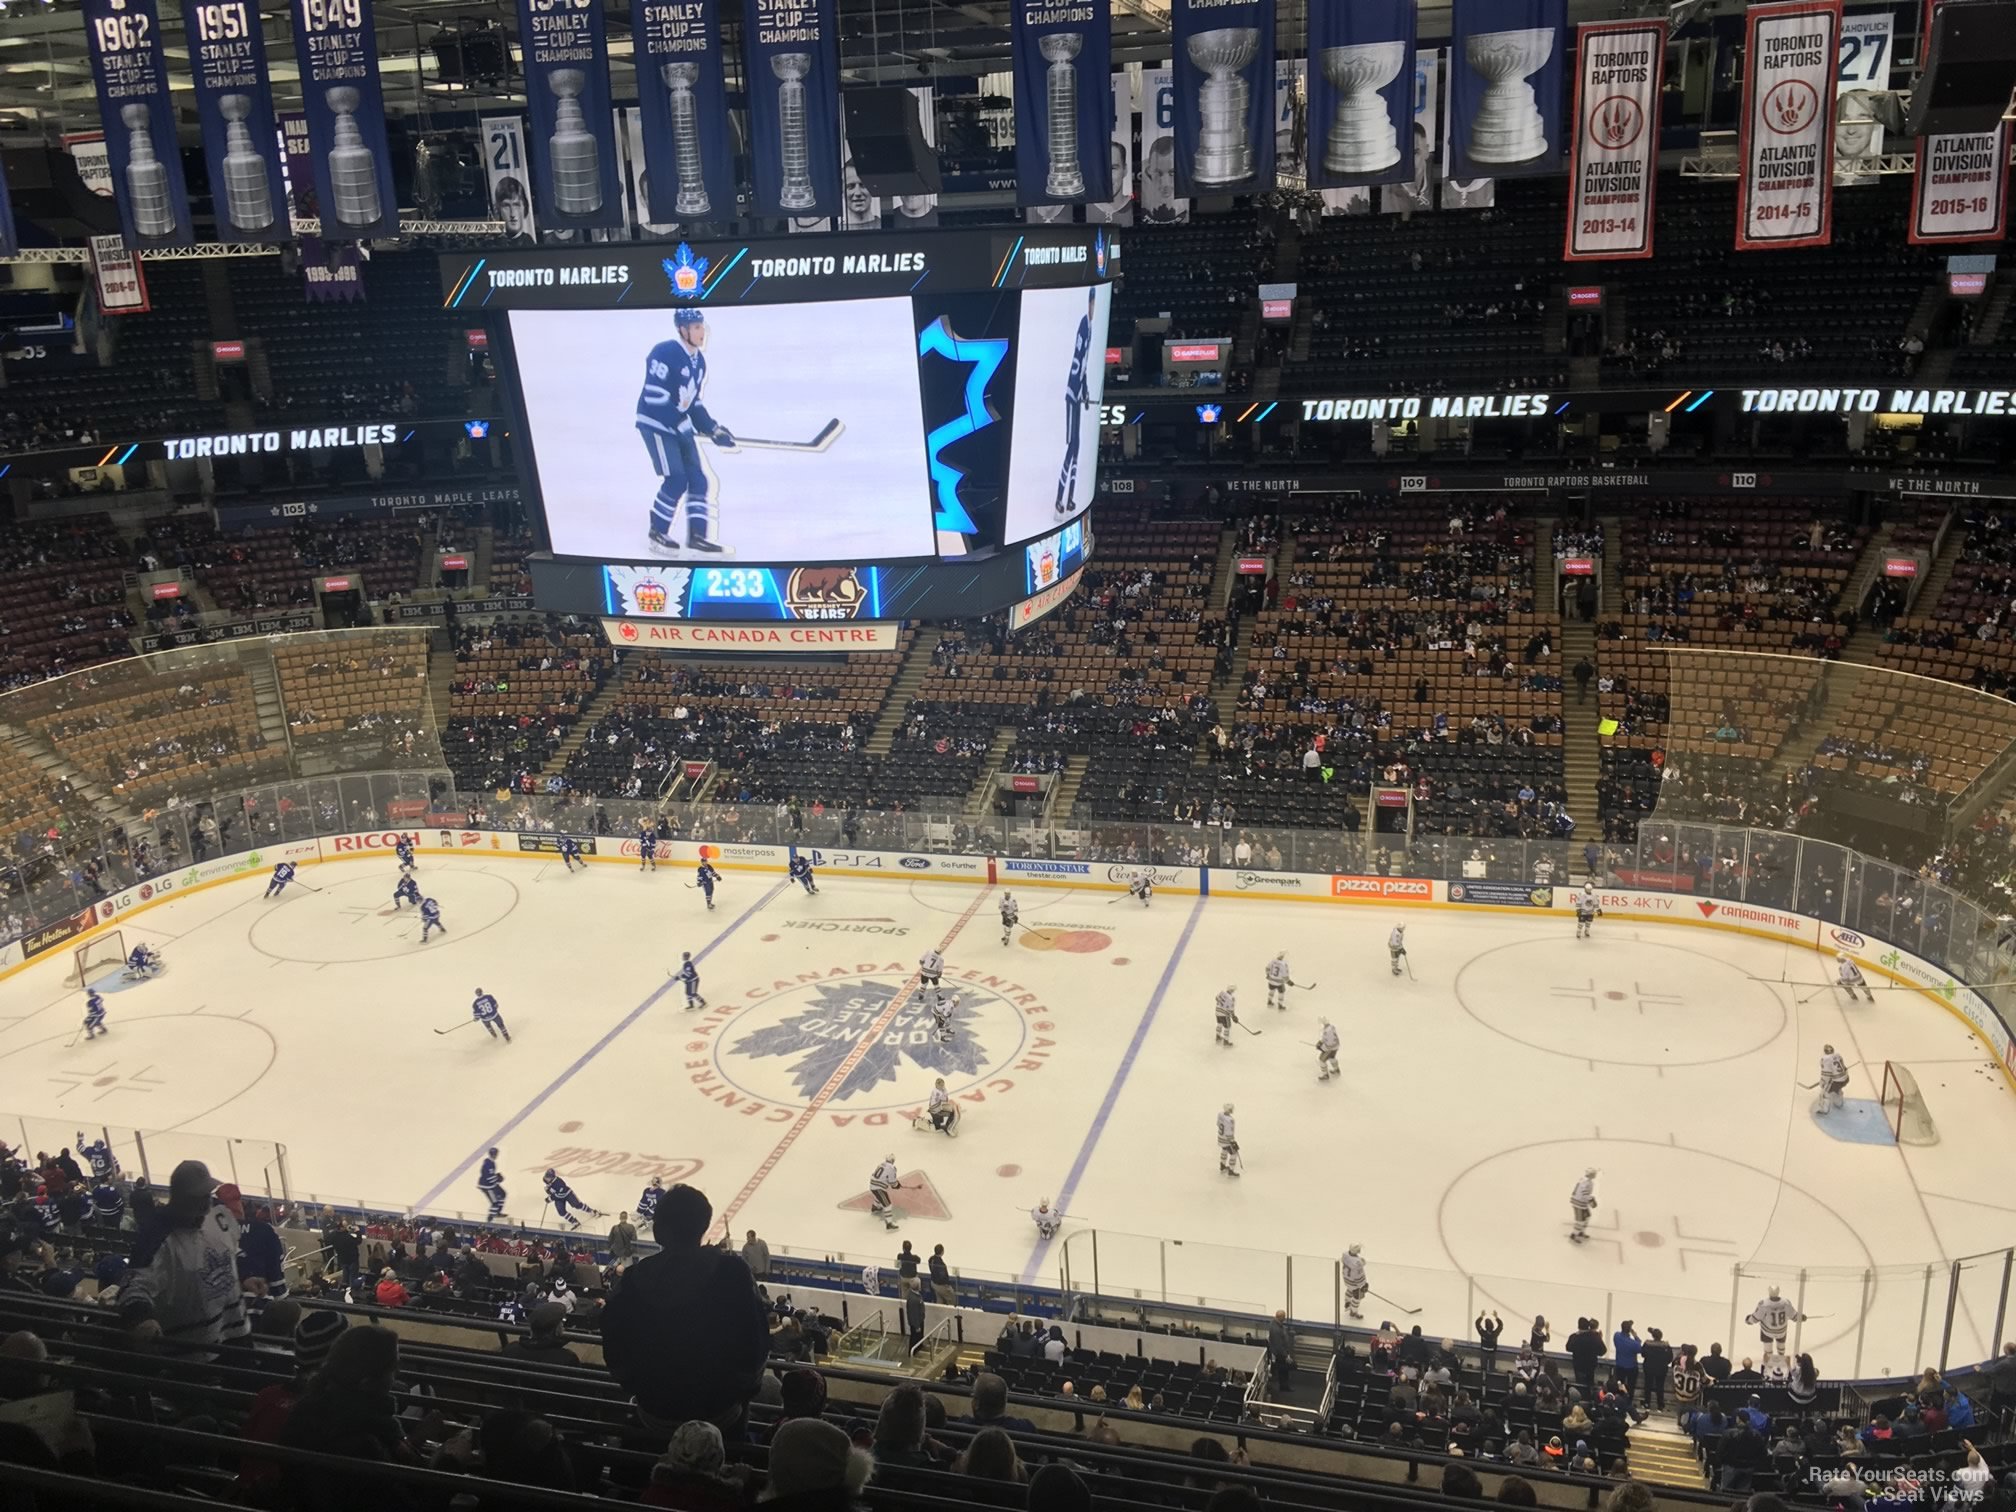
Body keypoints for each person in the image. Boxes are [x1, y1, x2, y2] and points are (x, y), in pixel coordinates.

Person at [601, 1183, 769, 1434]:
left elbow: (615, 1349)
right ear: (702, 1226)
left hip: (655, 1412)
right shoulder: (734, 1274)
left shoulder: (634, 1280)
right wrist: (742, 1392)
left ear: (658, 1231)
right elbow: (755, 1343)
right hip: (721, 1413)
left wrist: (639, 1387)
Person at [277, 1324, 419, 1512]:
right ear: (367, 1383)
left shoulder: (304, 1410)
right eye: (393, 1369)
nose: (396, 1377)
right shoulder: (364, 1445)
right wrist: (450, 1461)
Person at [119, 1159, 249, 1356]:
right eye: (198, 1197)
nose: (206, 1203)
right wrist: (142, 1318)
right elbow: (134, 1286)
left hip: (237, 1334)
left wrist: (248, 1275)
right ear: (180, 1198)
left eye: (207, 1195)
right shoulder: (157, 1237)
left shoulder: (218, 1217)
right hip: (193, 1350)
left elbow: (231, 1252)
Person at [637, 308, 735, 558]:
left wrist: (713, 428)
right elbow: (654, 396)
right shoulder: (665, 352)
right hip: (655, 424)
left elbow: (693, 403)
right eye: (696, 327)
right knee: (677, 479)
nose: (702, 332)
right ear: (683, 330)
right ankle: (657, 532)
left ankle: (697, 536)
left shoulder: (698, 362)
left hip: (678, 427)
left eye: (702, 326)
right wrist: (677, 422)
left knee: (699, 480)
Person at [1056, 287, 1096, 518]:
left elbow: (1085, 368)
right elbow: (1077, 363)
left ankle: (1070, 498)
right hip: (1072, 396)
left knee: (1078, 448)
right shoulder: (1083, 325)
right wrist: (1078, 391)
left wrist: (1087, 391)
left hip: (1079, 394)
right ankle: (1059, 498)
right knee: (1071, 447)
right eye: (1092, 303)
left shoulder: (1089, 327)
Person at [503, 1301, 580, 1367]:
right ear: (557, 1330)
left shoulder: (510, 1350)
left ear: (532, 1329)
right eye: (562, 1323)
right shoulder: (567, 1358)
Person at [1640, 1327, 1674, 1409]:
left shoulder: (1647, 1344)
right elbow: (1670, 1358)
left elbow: (1643, 1354)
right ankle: (1660, 1405)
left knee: (1648, 1386)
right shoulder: (1666, 1346)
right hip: (1661, 1369)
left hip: (1649, 1368)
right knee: (1660, 1387)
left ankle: (1647, 1403)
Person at [1814, 1045, 1850, 1114]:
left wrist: (1823, 1081)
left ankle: (1824, 1110)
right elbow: (1844, 1068)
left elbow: (1826, 1074)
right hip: (1846, 1078)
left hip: (1836, 1081)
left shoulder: (1825, 1059)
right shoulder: (1838, 1055)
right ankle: (1839, 1103)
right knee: (1837, 1089)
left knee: (1825, 1093)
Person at [1268, 1310, 1295, 1393]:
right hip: (1280, 1353)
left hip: (1279, 1352)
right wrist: (1286, 1355)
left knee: (1282, 1370)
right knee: (1283, 1370)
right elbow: (1279, 1344)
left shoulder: (1274, 1324)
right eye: (1284, 1317)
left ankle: (1284, 1386)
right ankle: (1284, 1386)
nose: (1285, 1318)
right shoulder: (1276, 1329)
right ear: (1280, 1317)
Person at [1613, 1321, 1641, 1397]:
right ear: (1629, 1330)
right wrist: (1635, 1336)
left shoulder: (1616, 1336)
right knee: (1631, 1386)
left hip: (1620, 1366)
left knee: (1620, 1385)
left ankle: (1619, 1399)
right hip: (1631, 1368)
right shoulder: (1633, 1343)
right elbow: (1639, 1348)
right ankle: (1628, 1401)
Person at [1569, 1168, 1598, 1243]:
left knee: (1587, 1217)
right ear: (1591, 1174)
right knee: (1580, 1221)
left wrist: (1589, 1198)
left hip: (1582, 1203)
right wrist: (1590, 1199)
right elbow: (1584, 1193)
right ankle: (1574, 1235)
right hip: (1579, 1203)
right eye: (1594, 1174)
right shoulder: (1586, 1182)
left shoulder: (1585, 1180)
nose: (1595, 1175)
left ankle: (1581, 1232)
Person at [478, 1148, 508, 1219]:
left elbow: (490, 1176)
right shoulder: (488, 1165)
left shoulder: (491, 1162)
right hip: (487, 1186)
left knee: (503, 1194)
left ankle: (497, 1212)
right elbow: (489, 1178)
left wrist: (496, 1177)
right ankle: (490, 1217)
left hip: (491, 1184)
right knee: (495, 1203)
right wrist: (498, 1179)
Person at [1341, 1244, 1367, 1319]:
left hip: (1347, 1279)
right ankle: (1353, 1312)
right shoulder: (1357, 1263)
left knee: (1349, 1290)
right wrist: (1363, 1285)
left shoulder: (1345, 1255)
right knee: (1357, 1297)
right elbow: (1358, 1275)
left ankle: (1347, 1302)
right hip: (1355, 1283)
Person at [1217, 1103, 1240, 1177]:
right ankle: (1231, 1170)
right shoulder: (1230, 1120)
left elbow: (1217, 1124)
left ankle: (1222, 1165)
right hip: (1227, 1140)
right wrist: (1232, 1141)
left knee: (1224, 1150)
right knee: (1234, 1153)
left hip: (1220, 1138)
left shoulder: (1220, 1114)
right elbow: (1230, 1132)